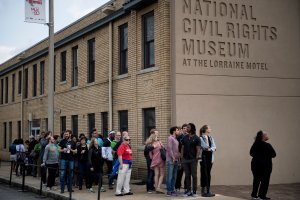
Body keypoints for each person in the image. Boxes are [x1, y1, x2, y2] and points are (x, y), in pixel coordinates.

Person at [250, 131, 276, 200]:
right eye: (266, 134)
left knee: (256, 180)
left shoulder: (255, 144)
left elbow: (251, 153)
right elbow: (274, 154)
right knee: (265, 181)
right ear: (263, 136)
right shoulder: (268, 145)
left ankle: (254, 195)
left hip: (255, 165)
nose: (267, 135)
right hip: (266, 166)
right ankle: (262, 196)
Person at [181, 123, 200, 197]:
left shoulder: (197, 138)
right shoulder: (184, 137)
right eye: (186, 127)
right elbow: (182, 148)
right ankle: (188, 191)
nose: (187, 128)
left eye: (188, 127)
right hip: (185, 159)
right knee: (187, 175)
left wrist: (196, 158)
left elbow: (198, 149)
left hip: (193, 160)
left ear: (192, 128)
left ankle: (194, 191)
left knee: (194, 176)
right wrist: (182, 158)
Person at [199, 125, 216, 197]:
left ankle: (208, 189)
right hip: (203, 157)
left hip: (210, 157)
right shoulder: (200, 138)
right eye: (209, 128)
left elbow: (214, 147)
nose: (210, 129)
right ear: (206, 130)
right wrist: (207, 143)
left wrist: (210, 149)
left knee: (208, 173)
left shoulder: (211, 138)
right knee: (203, 173)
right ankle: (204, 189)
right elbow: (204, 146)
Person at [166, 126, 181, 196]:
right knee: (170, 176)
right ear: (174, 131)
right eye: (178, 130)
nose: (179, 131)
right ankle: (169, 191)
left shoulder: (176, 139)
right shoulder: (170, 138)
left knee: (174, 176)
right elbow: (169, 148)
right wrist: (173, 157)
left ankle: (172, 190)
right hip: (171, 160)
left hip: (176, 160)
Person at [175, 123, 188, 193]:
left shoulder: (190, 137)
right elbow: (176, 147)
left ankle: (186, 187)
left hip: (188, 157)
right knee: (179, 172)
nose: (185, 130)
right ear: (182, 129)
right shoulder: (179, 137)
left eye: (186, 128)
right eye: (184, 128)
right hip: (181, 157)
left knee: (187, 173)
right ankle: (177, 187)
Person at [144, 129, 156, 193]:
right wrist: (153, 147)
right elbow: (146, 152)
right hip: (149, 160)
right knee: (150, 173)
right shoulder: (149, 144)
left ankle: (151, 186)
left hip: (152, 160)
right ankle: (149, 188)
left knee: (152, 173)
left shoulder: (151, 144)